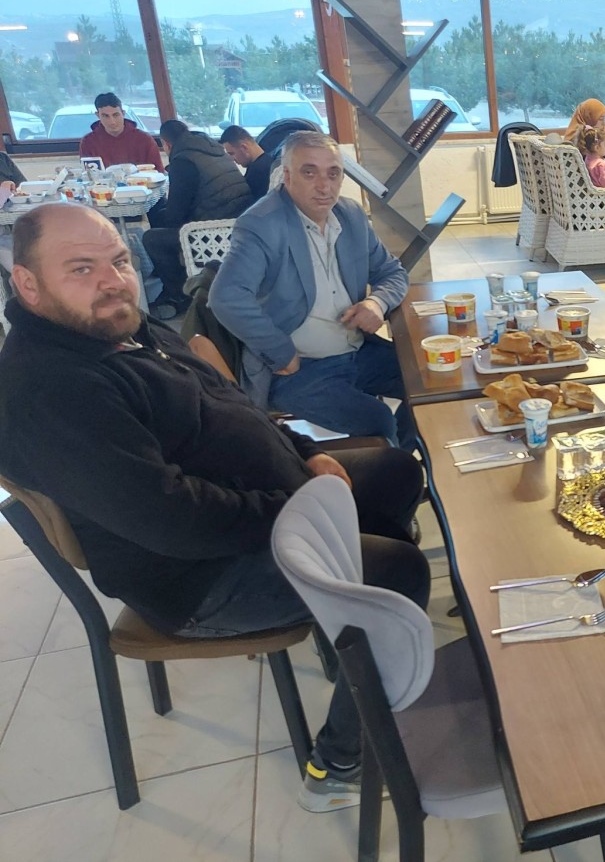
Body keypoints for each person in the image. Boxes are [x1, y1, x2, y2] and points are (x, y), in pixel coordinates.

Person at [0, 203, 430, 814]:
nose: (112, 281)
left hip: (266, 508)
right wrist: (301, 506)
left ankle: (358, 647)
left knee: (394, 472)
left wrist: (305, 453)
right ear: (27, 283)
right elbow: (171, 520)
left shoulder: (120, 327)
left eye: (119, 261)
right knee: (397, 573)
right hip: (201, 576)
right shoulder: (52, 389)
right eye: (81, 268)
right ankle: (339, 764)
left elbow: (235, 406)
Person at [209, 131, 417, 452]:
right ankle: (381, 473)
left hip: (357, 351)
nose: (324, 186)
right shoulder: (261, 224)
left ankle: (394, 468)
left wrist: (377, 303)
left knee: (427, 385)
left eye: (333, 174)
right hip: (299, 369)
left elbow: (392, 272)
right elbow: (226, 297)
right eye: (310, 173)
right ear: (287, 176)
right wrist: (280, 351)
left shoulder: (351, 215)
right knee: (379, 419)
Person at [142, 120, 254, 318]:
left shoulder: (183, 161)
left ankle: (179, 295)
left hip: (214, 233)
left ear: (166, 144)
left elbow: (175, 215)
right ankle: (174, 290)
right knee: (160, 219)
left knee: (152, 238)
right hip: (239, 222)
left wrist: (162, 214)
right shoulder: (212, 149)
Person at [79, 92, 163, 172]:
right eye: (105, 116)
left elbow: (159, 173)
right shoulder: (88, 142)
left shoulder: (144, 139)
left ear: (123, 113)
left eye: (116, 115)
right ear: (98, 115)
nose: (112, 121)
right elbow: (88, 176)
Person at [220, 125, 273, 200]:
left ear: (244, 148)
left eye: (232, 153)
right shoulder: (270, 162)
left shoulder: (257, 172)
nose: (231, 159)